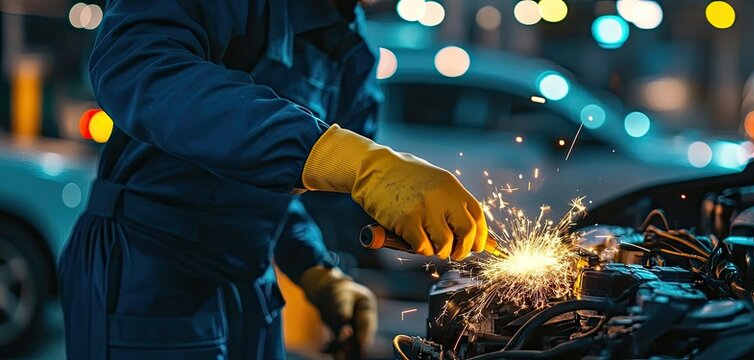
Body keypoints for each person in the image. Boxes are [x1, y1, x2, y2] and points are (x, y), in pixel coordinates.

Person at [58, 0, 488, 358]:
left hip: (249, 281)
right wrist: (349, 160)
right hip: (147, 272)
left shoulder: (350, 47)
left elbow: (268, 185)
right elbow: (136, 65)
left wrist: (315, 268)